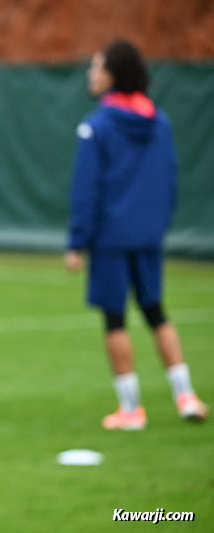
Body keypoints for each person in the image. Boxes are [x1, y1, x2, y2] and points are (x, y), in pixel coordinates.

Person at [66, 39, 208, 430]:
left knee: (115, 319)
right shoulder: (159, 121)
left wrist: (77, 241)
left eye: (96, 67)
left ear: (111, 73)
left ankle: (131, 408)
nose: (91, 74)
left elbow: (87, 189)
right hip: (148, 235)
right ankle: (186, 395)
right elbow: (170, 180)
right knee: (156, 310)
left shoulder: (97, 126)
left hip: (110, 238)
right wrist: (156, 225)